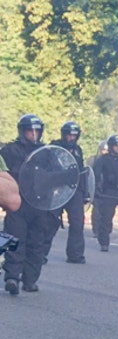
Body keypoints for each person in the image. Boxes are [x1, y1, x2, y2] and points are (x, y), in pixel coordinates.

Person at [1, 114, 59, 294]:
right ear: (21, 131)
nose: (33, 134)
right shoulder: (10, 150)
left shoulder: (47, 153)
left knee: (37, 244)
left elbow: (58, 175)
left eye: (37, 131)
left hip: (41, 205)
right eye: (29, 131)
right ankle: (12, 277)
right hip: (18, 204)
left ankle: (30, 280)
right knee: (14, 241)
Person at [51, 121, 90, 264]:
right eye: (69, 135)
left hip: (74, 190)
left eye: (74, 135)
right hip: (57, 189)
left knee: (77, 222)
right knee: (49, 222)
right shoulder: (54, 147)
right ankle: (40, 253)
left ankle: (75, 254)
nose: (71, 138)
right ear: (63, 134)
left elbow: (81, 172)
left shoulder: (78, 150)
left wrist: (85, 192)